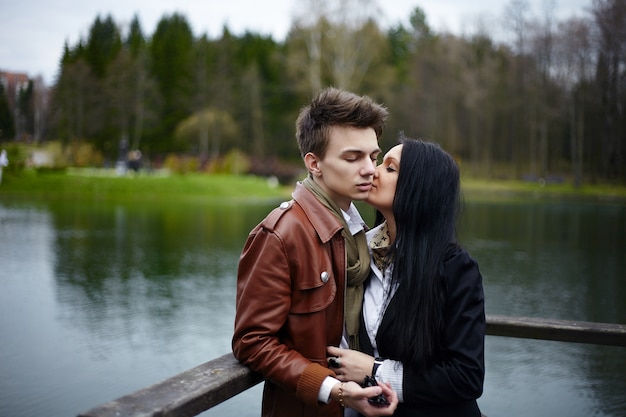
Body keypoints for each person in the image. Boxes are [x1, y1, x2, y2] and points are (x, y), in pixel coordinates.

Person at [232, 87, 398, 417]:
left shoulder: (359, 232)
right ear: (314, 163)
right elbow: (251, 342)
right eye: (352, 158)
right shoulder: (281, 234)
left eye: (374, 157)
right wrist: (332, 389)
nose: (369, 169)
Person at [327, 136, 486, 417]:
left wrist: (375, 371)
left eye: (390, 168)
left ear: (419, 187)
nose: (371, 171)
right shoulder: (358, 255)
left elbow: (466, 376)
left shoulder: (455, 269)